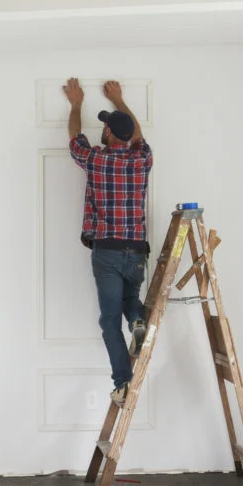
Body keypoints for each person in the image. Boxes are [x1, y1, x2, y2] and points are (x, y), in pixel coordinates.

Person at [66, 78, 153, 406]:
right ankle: (138, 320)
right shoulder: (142, 160)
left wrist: (76, 104)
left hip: (107, 251)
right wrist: (120, 100)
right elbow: (138, 134)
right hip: (136, 251)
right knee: (132, 299)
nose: (101, 129)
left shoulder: (97, 161)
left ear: (109, 135)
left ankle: (122, 382)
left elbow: (75, 138)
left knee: (108, 321)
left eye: (106, 127)